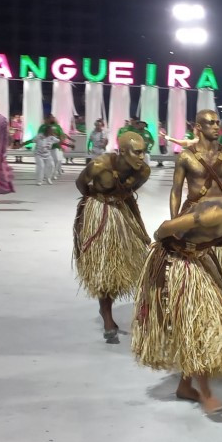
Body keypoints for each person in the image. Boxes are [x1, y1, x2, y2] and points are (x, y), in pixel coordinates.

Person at [132, 162, 222, 415]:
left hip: (194, 259)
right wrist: (170, 248)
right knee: (200, 326)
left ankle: (185, 386)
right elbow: (165, 228)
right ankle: (206, 395)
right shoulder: (216, 212)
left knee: (201, 324)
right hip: (179, 263)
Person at [75, 132, 151, 343]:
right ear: (122, 151)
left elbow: (129, 192)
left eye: (144, 152)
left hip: (122, 213)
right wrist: (96, 200)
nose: (142, 156)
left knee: (124, 267)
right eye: (137, 152)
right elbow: (81, 184)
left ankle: (122, 309)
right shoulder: (100, 166)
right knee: (105, 267)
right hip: (100, 213)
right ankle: (107, 315)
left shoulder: (143, 171)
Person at [171, 110, 222, 296]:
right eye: (210, 123)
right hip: (195, 217)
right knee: (195, 276)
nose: (216, 126)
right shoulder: (186, 157)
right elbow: (176, 191)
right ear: (198, 127)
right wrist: (174, 222)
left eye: (217, 122)